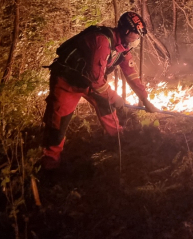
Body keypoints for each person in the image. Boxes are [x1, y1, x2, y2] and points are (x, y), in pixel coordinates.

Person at [41, 11, 160, 169]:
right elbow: (97, 81)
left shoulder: (123, 47)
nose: (137, 39)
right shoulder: (102, 41)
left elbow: (131, 74)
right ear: (125, 31)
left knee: (107, 107)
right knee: (57, 124)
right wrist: (115, 97)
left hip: (89, 83)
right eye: (135, 35)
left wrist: (144, 99)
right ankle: (51, 164)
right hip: (67, 83)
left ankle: (118, 144)